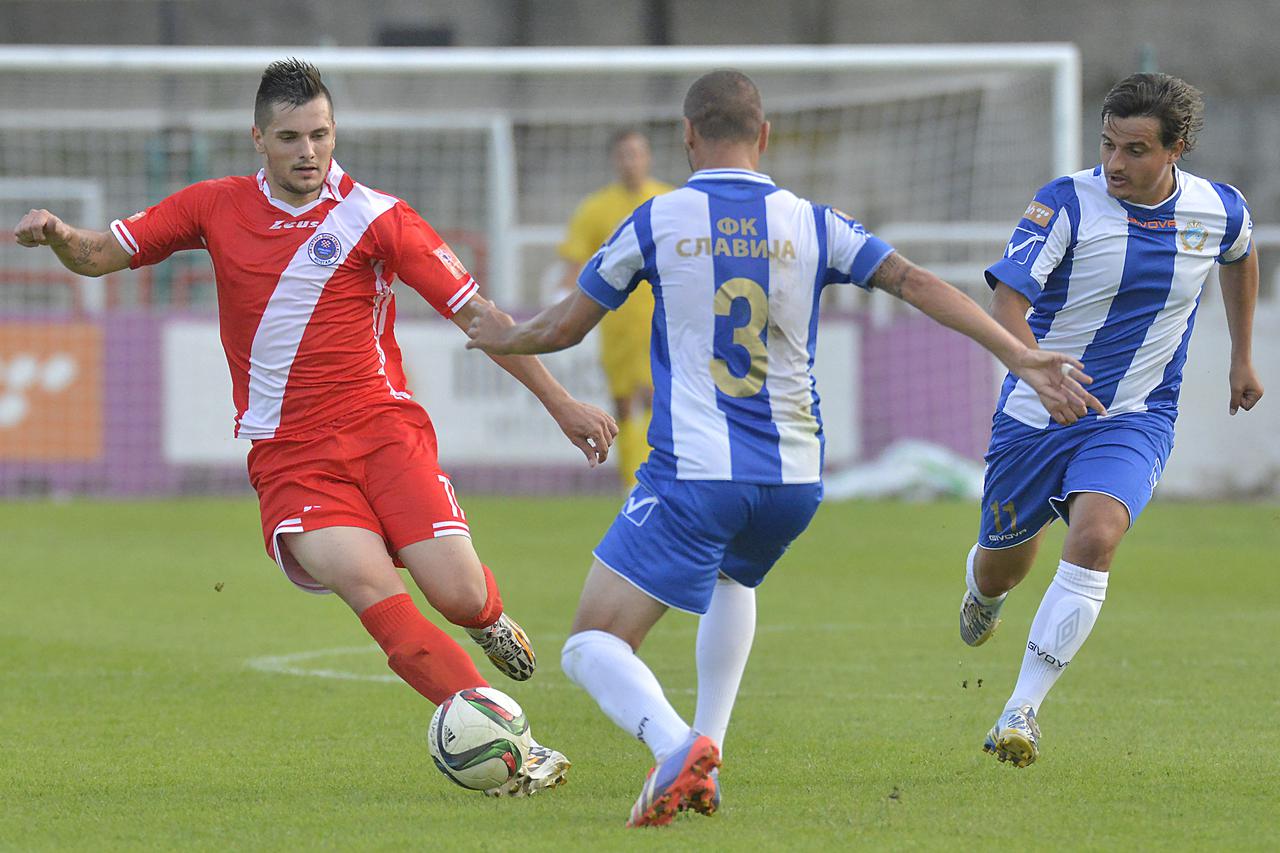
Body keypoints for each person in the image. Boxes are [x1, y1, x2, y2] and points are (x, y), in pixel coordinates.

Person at [465, 69, 1096, 825]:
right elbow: (915, 280)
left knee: (590, 644)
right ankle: (710, 760)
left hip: (698, 471)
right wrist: (1019, 355)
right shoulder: (813, 220)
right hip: (796, 479)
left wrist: (503, 334)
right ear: (764, 137)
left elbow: (563, 327)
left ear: (688, 138)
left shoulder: (658, 218)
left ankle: (676, 746)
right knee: (735, 581)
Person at [13, 58, 617, 797]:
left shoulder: (377, 217)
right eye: (292, 137)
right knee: (370, 588)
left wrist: (560, 403)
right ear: (258, 140)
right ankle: (518, 747)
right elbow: (104, 254)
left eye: (321, 134)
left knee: (456, 593)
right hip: (292, 459)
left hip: (385, 434)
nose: (309, 151)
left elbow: (480, 317)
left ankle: (487, 617)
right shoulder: (213, 205)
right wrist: (60, 236)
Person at [957, 72, 1263, 768]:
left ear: (1176, 149)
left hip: (1136, 414)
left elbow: (1242, 257)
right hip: (1037, 411)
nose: (1115, 163)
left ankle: (1022, 710)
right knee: (1005, 564)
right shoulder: (1066, 201)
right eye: (1107, 145)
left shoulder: (1219, 210)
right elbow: (1007, 299)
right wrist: (1035, 367)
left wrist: (1241, 357)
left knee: (1097, 536)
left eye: (1134, 149)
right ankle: (981, 589)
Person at [558, 130, 672, 490]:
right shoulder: (596, 209)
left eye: (637, 154)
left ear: (648, 157)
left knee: (659, 400)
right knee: (624, 405)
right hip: (616, 322)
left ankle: (655, 478)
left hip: (663, 319)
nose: (631, 162)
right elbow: (575, 264)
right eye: (624, 155)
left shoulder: (668, 200)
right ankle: (631, 483)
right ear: (614, 160)